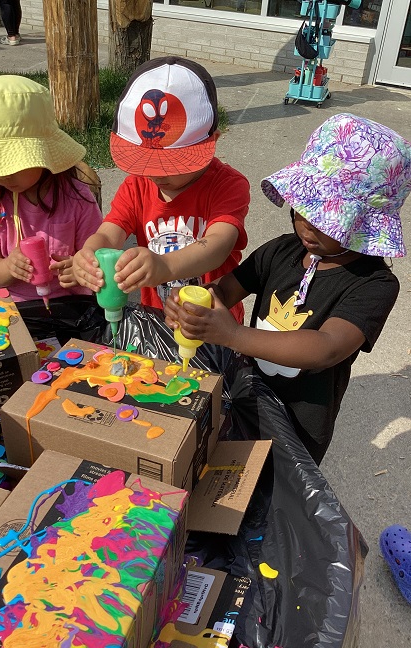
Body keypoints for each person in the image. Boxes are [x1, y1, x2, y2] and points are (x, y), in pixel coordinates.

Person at [165, 113, 411, 465]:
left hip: (301, 425)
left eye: (325, 216)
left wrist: (233, 335)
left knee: (278, 490)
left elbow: (326, 348)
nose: (308, 225)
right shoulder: (282, 249)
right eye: (304, 206)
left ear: (364, 222)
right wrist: (196, 305)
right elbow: (226, 290)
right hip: (247, 394)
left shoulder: (374, 285)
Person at [73, 56, 250, 323]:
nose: (156, 174)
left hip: (213, 320)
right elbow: (109, 235)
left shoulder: (228, 185)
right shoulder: (136, 186)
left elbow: (218, 245)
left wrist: (165, 266)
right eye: (147, 163)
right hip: (157, 315)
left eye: (172, 164)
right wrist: (89, 255)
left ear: (212, 141)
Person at [0, 75, 102, 307]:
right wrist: (7, 267)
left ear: (43, 152)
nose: (3, 174)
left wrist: (80, 269)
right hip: (16, 307)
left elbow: (99, 256)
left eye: (12, 161)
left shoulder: (76, 196)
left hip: (70, 305)